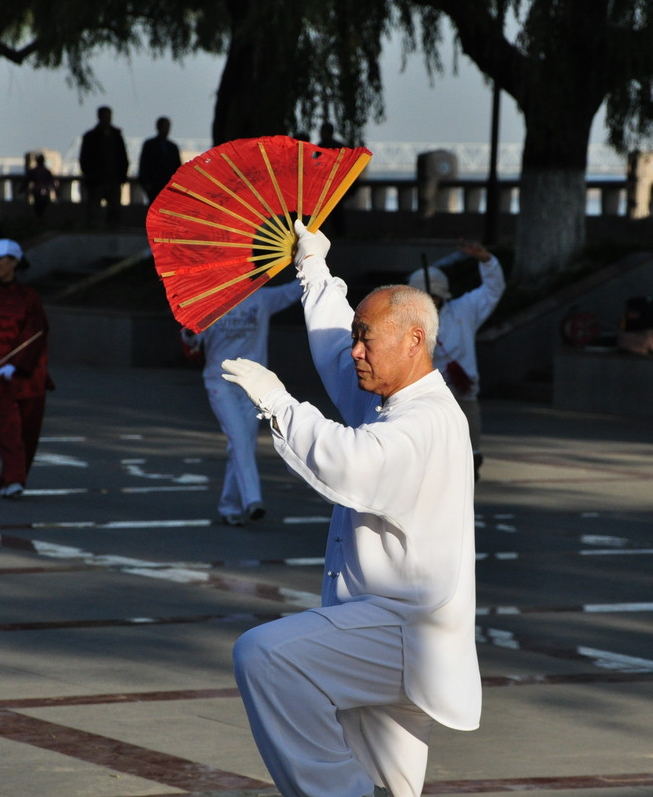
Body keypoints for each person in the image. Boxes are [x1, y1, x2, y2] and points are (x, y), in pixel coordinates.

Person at [222, 220, 480, 797]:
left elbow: (353, 465)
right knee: (391, 785)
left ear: (415, 340)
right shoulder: (387, 397)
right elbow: (337, 345)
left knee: (264, 656)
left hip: (406, 631)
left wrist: (279, 406)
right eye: (359, 338)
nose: (356, 351)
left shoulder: (427, 421)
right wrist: (314, 269)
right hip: (381, 625)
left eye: (370, 339)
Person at [180, 280, 301, 526]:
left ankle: (229, 506)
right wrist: (190, 332)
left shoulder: (261, 298)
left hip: (253, 383)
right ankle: (252, 500)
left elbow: (294, 290)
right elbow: (189, 340)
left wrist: (310, 258)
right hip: (220, 381)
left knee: (243, 444)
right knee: (239, 439)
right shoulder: (207, 302)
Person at [407, 240, 505, 479]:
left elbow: (493, 290)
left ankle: (471, 464)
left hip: (462, 395)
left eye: (435, 297)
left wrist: (486, 260)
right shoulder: (405, 321)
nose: (432, 302)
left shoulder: (464, 310)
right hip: (424, 400)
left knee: (470, 451)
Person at [0, 239, 51, 498]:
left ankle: (10, 476)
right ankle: (15, 480)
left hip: (28, 377)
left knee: (28, 432)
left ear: (13, 262)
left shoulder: (29, 297)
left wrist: (17, 365)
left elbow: (36, 332)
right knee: (7, 430)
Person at [79, 106, 129, 228]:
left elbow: (122, 157)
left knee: (114, 211)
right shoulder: (91, 137)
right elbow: (85, 158)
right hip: (97, 181)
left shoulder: (116, 136)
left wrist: (121, 175)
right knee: (94, 213)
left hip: (112, 179)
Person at [137, 116, 182, 203]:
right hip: (154, 184)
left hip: (167, 184)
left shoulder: (172, 147)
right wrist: (145, 182)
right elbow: (144, 165)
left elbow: (177, 167)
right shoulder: (150, 145)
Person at [23, 154, 58, 220]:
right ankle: (42, 219)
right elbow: (52, 182)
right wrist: (56, 191)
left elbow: (26, 181)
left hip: (36, 191)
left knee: (37, 206)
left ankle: (39, 219)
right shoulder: (47, 171)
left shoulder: (34, 171)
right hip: (46, 191)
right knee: (44, 207)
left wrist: (22, 189)